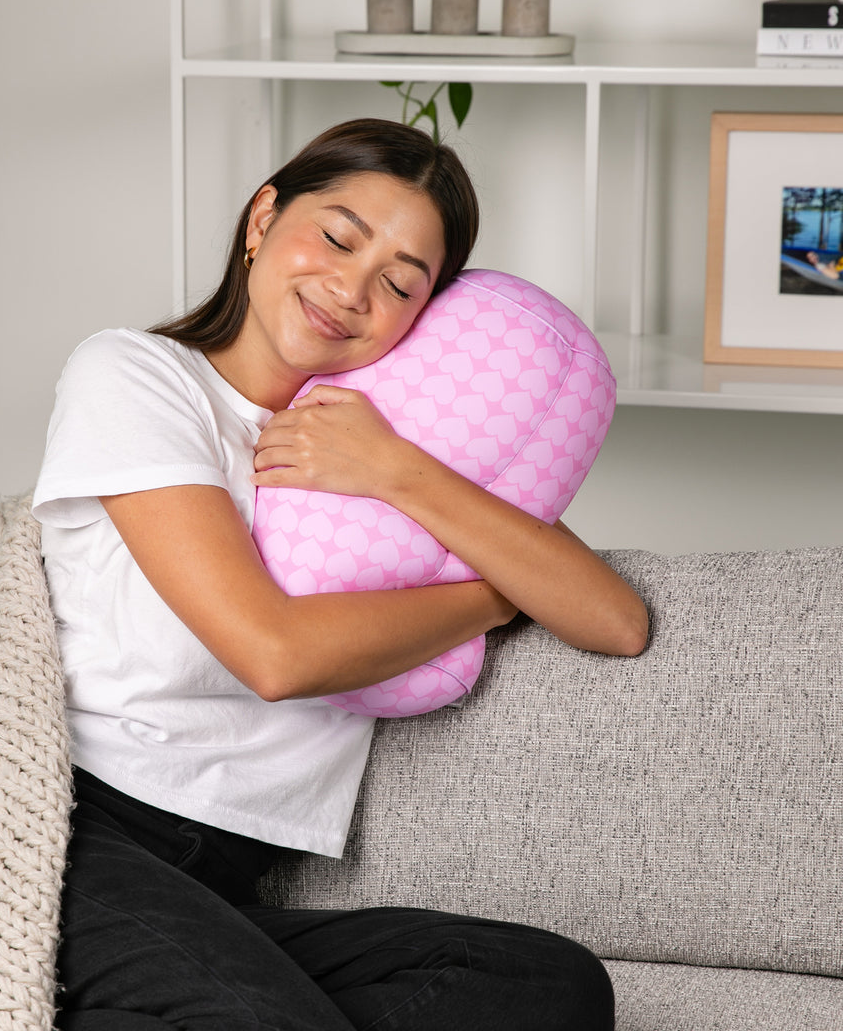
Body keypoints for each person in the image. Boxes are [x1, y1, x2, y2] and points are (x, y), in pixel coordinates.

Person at [33, 117, 648, 1030]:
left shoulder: (393, 456)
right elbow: (274, 656)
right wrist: (493, 595)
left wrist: (395, 470)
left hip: (221, 885)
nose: (351, 290)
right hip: (80, 837)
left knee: (548, 984)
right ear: (262, 220)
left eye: (400, 284)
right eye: (337, 236)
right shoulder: (137, 377)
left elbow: (616, 621)